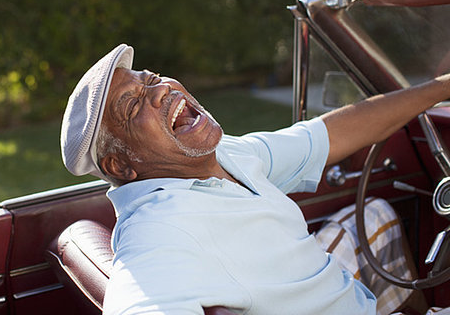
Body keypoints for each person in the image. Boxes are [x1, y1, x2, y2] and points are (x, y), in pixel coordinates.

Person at [60, 44, 450, 315]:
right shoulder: (160, 232)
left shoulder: (225, 154)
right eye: (133, 104)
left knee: (374, 215)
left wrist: (441, 87)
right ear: (120, 166)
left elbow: (328, 134)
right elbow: (140, 298)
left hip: (331, 293)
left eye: (152, 79)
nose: (161, 91)